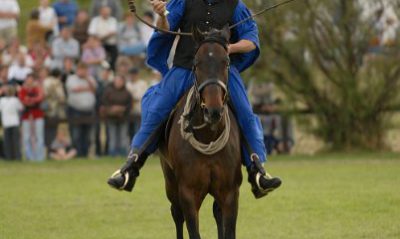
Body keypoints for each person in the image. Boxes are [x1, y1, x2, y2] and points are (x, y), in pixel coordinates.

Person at [108, 0, 282, 198]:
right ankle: (131, 167)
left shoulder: (235, 5)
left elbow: (251, 40)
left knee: (245, 113)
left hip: (221, 70)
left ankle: (257, 171)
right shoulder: (182, 2)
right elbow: (165, 30)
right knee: (157, 110)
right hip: (185, 68)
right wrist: (161, 16)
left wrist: (229, 48)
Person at [66, 62, 97, 157]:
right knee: (76, 134)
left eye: (85, 69)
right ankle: (77, 154)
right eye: (81, 69)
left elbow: (95, 89)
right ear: (77, 70)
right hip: (76, 110)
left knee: (87, 134)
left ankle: (85, 153)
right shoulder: (71, 78)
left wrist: (87, 79)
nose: (83, 71)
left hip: (89, 111)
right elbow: (75, 89)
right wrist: (87, 89)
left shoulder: (90, 78)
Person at [100, 74, 132, 156]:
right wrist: (112, 109)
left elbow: (129, 105)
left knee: (123, 137)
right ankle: (112, 153)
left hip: (123, 118)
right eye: (117, 81)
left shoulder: (127, 92)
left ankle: (123, 153)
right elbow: (103, 102)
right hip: (111, 118)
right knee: (112, 137)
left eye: (120, 81)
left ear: (123, 82)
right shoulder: (108, 91)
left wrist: (122, 109)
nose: (118, 83)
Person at [19, 74, 46, 161]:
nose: (29, 81)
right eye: (28, 80)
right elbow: (23, 100)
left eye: (31, 79)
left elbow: (40, 98)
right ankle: (29, 157)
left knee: (39, 136)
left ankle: (39, 158)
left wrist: (30, 99)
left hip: (38, 114)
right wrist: (32, 100)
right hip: (26, 116)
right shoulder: (23, 90)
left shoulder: (38, 88)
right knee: (27, 137)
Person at [42, 69, 66, 150]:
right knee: (53, 131)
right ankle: (52, 150)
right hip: (54, 109)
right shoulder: (57, 82)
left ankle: (47, 149)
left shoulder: (45, 81)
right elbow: (61, 97)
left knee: (46, 131)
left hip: (44, 110)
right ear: (59, 76)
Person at [0, 84, 23, 160]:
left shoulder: (12, 100)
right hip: (10, 123)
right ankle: (13, 157)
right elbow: (21, 108)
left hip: (11, 123)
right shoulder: (12, 100)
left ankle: (13, 157)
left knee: (11, 142)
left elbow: (20, 108)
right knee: (12, 142)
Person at [126, 67, 148, 137]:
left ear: (137, 75)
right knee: (128, 132)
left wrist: (133, 97)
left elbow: (143, 96)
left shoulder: (143, 83)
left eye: (134, 74)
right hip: (128, 111)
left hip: (139, 111)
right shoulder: (127, 84)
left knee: (137, 130)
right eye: (131, 74)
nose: (133, 76)